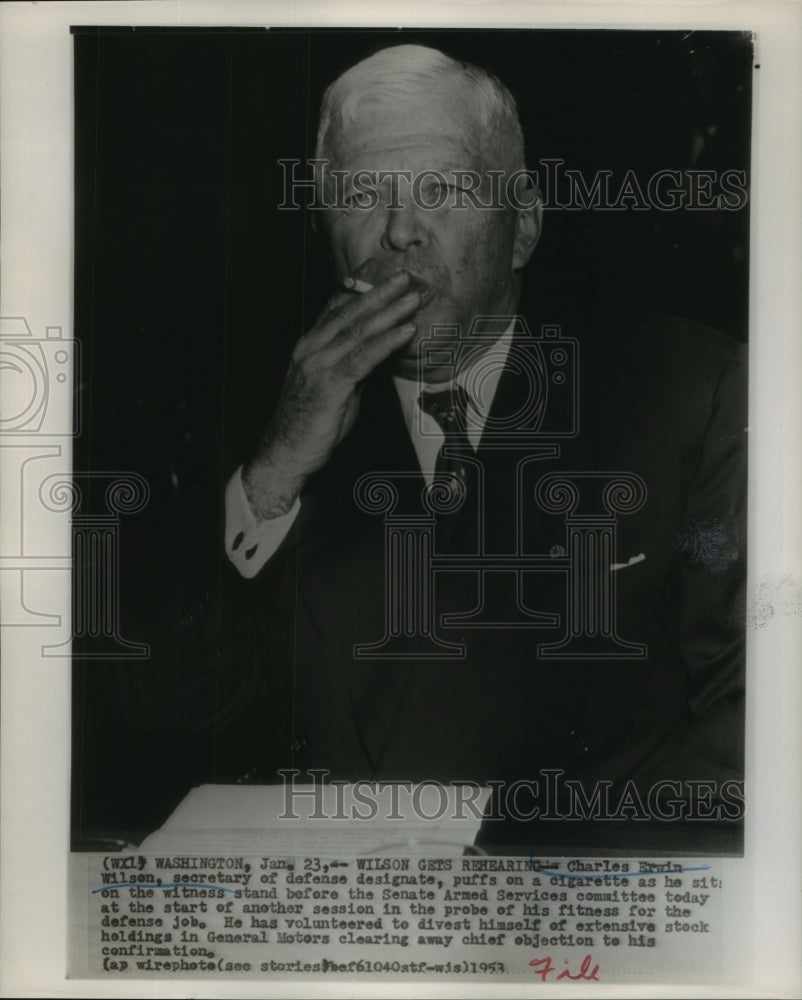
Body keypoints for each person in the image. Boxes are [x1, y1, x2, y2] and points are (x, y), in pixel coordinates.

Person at [184, 44, 746, 852]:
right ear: (322, 226)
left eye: (440, 190)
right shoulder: (257, 428)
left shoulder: (686, 394)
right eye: (363, 195)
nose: (400, 232)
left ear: (522, 225)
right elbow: (161, 715)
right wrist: (272, 477)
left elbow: (753, 729)